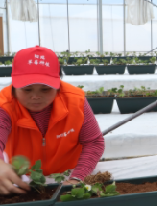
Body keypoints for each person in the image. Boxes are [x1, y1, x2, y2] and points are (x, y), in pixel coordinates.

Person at [0, 46, 105, 194]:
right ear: (14, 84)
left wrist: (77, 177)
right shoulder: (4, 105)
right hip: (23, 176)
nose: (36, 96)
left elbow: (94, 142)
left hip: (70, 172)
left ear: (58, 84)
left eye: (45, 89)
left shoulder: (75, 101)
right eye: (27, 89)